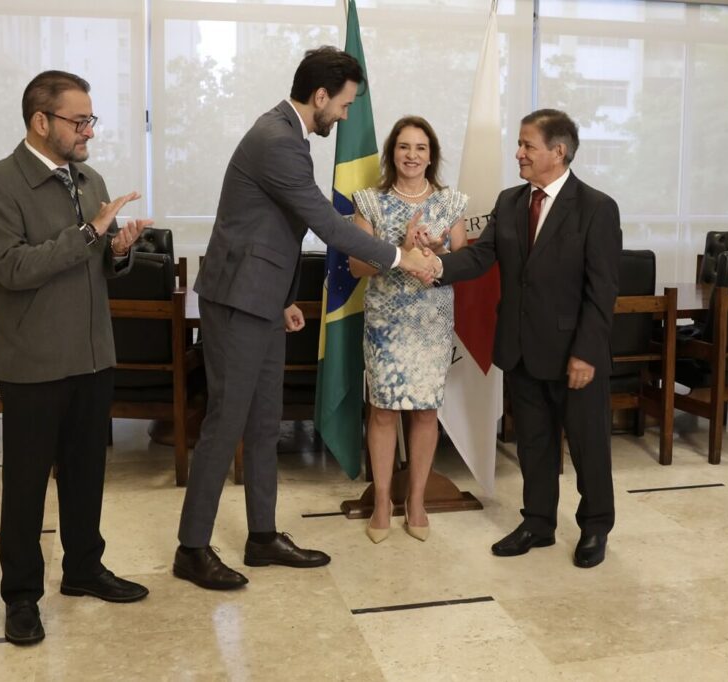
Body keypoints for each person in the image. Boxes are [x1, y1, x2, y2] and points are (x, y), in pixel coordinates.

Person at [173, 46, 436, 591]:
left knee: (265, 425)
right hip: (239, 302)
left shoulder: (287, 135)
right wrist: (399, 257)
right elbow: (324, 221)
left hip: (261, 298)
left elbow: (267, 228)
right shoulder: (277, 141)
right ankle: (191, 548)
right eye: (342, 106)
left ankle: (262, 537)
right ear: (320, 96)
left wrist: (283, 296)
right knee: (227, 425)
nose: (343, 117)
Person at [0, 70, 152, 645]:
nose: (89, 133)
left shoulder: (88, 177)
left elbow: (96, 265)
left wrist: (117, 249)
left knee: (87, 474)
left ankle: (83, 569)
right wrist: (89, 233)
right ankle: (21, 596)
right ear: (40, 121)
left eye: (91, 120)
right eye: (80, 121)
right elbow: (12, 268)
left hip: (93, 353)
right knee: (26, 485)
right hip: (35, 360)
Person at [432, 109, 621, 569]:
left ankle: (595, 526)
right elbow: (480, 258)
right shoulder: (511, 201)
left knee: (587, 444)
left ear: (558, 152)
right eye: (519, 144)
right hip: (519, 349)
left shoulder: (597, 208)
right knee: (533, 444)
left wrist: (586, 354)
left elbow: (603, 292)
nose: (518, 153)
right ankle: (538, 523)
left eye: (527, 145)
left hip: (574, 355)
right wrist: (437, 266)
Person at [349, 116, 467, 543]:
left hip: (431, 321)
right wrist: (401, 251)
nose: (412, 155)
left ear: (431, 154)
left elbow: (461, 264)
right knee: (382, 410)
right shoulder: (370, 202)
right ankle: (383, 501)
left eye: (420, 147)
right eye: (403, 147)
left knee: (425, 410)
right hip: (386, 321)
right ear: (391, 153)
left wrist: (436, 252)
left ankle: (416, 501)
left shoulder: (451, 202)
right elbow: (356, 265)